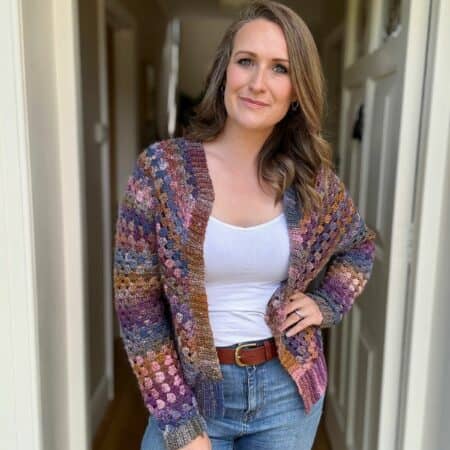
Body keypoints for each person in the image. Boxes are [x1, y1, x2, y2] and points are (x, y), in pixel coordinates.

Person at [113, 1, 377, 449]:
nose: (258, 83)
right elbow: (138, 309)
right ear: (224, 72)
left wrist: (325, 304)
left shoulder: (310, 181)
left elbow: (360, 246)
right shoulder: (162, 172)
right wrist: (180, 422)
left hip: (286, 395)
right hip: (191, 395)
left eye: (280, 69)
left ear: (297, 91)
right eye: (246, 61)